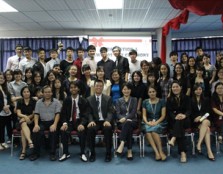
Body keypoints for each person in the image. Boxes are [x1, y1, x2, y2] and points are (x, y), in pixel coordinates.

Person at [29, 85, 62, 161]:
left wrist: (54, 124)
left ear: (51, 93)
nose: (47, 93)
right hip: (42, 122)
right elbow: (36, 114)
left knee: (53, 131)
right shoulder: (38, 102)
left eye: (49, 92)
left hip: (53, 121)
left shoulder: (56, 102)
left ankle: (52, 153)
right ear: (43, 93)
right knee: (36, 131)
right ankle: (36, 153)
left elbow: (58, 114)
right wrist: (36, 125)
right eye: (46, 92)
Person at [59, 81, 89, 162]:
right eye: (71, 87)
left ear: (78, 88)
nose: (73, 89)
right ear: (69, 89)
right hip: (70, 122)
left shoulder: (84, 100)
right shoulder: (66, 100)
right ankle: (66, 153)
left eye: (75, 87)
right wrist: (64, 123)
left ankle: (83, 153)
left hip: (79, 121)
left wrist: (82, 124)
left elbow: (86, 115)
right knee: (63, 130)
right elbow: (63, 114)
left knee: (82, 131)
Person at [87, 79, 114, 162]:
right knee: (90, 129)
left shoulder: (108, 98)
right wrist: (91, 120)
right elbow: (88, 112)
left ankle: (108, 153)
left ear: (103, 88)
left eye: (100, 86)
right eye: (97, 86)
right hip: (95, 121)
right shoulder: (89, 99)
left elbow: (110, 111)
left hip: (105, 121)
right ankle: (92, 153)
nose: (99, 87)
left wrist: (107, 120)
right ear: (94, 87)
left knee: (108, 129)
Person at [166, 81, 191, 163]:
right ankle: (183, 153)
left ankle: (173, 138)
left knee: (180, 122)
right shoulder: (169, 99)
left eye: (177, 86)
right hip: (174, 121)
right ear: (171, 89)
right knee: (180, 128)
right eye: (173, 87)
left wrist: (184, 115)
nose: (175, 88)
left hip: (186, 120)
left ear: (181, 87)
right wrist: (175, 117)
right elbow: (169, 112)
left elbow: (189, 110)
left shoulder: (186, 97)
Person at [191, 83, 215, 161]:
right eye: (196, 89)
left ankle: (199, 143)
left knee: (205, 123)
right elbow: (189, 112)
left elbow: (208, 112)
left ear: (202, 90)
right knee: (207, 129)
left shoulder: (206, 99)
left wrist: (201, 117)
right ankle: (209, 151)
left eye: (200, 89)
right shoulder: (190, 100)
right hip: (197, 122)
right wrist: (195, 118)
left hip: (207, 119)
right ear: (194, 91)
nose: (198, 91)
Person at [142, 86, 167, 161]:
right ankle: (156, 152)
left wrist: (156, 122)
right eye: (150, 92)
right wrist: (147, 122)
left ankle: (160, 151)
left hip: (160, 121)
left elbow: (163, 115)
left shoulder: (162, 101)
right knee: (148, 131)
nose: (152, 93)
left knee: (153, 131)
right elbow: (144, 115)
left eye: (153, 91)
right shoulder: (145, 102)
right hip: (148, 121)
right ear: (148, 93)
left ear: (156, 92)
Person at [115, 83, 138, 160]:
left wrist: (125, 118)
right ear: (122, 90)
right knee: (128, 127)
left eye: (128, 89)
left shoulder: (134, 99)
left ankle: (122, 143)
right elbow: (118, 113)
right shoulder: (118, 100)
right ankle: (129, 151)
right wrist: (124, 119)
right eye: (124, 89)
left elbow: (133, 112)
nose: (126, 91)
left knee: (128, 123)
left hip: (133, 121)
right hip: (121, 122)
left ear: (130, 90)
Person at [16, 86, 36, 160]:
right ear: (22, 93)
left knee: (22, 131)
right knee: (23, 123)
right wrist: (25, 117)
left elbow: (34, 113)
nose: (26, 93)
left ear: (30, 93)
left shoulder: (34, 101)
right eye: (24, 92)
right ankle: (30, 141)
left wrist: (29, 118)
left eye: (28, 91)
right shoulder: (19, 101)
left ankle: (23, 151)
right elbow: (18, 113)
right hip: (22, 121)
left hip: (32, 121)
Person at [0, 72, 12, 150]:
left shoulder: (5, 87)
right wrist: (3, 107)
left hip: (7, 111)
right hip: (1, 110)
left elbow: (8, 98)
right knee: (0, 127)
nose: (1, 79)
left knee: (5, 126)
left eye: (3, 78)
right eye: (0, 78)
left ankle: (3, 141)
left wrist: (8, 105)